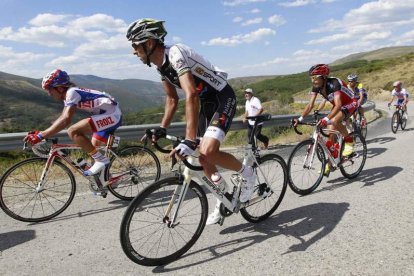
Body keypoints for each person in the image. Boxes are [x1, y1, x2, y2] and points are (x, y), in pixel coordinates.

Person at [126, 18, 257, 225]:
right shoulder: (161, 66)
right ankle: (222, 198)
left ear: (149, 43)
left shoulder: (176, 54)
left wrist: (189, 138)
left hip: (222, 97)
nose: (134, 51)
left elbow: (190, 95)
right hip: (206, 103)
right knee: (203, 158)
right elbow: (171, 99)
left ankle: (248, 175)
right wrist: (162, 127)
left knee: (208, 151)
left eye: (135, 45)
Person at [24, 69, 122, 179]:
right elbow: (62, 117)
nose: (49, 93)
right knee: (93, 150)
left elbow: (66, 120)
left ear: (60, 88)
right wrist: (42, 133)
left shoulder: (72, 93)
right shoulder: (69, 95)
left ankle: (102, 160)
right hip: (107, 114)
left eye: (50, 89)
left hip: (112, 115)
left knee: (73, 131)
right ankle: (109, 180)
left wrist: (41, 136)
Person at [293, 64, 358, 175]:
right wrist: (299, 119)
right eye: (311, 78)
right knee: (330, 134)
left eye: (315, 77)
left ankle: (349, 142)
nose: (313, 80)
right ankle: (331, 162)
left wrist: (326, 118)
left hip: (350, 102)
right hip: (339, 105)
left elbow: (338, 105)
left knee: (335, 121)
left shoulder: (334, 84)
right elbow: (310, 105)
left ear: (323, 77)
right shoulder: (317, 87)